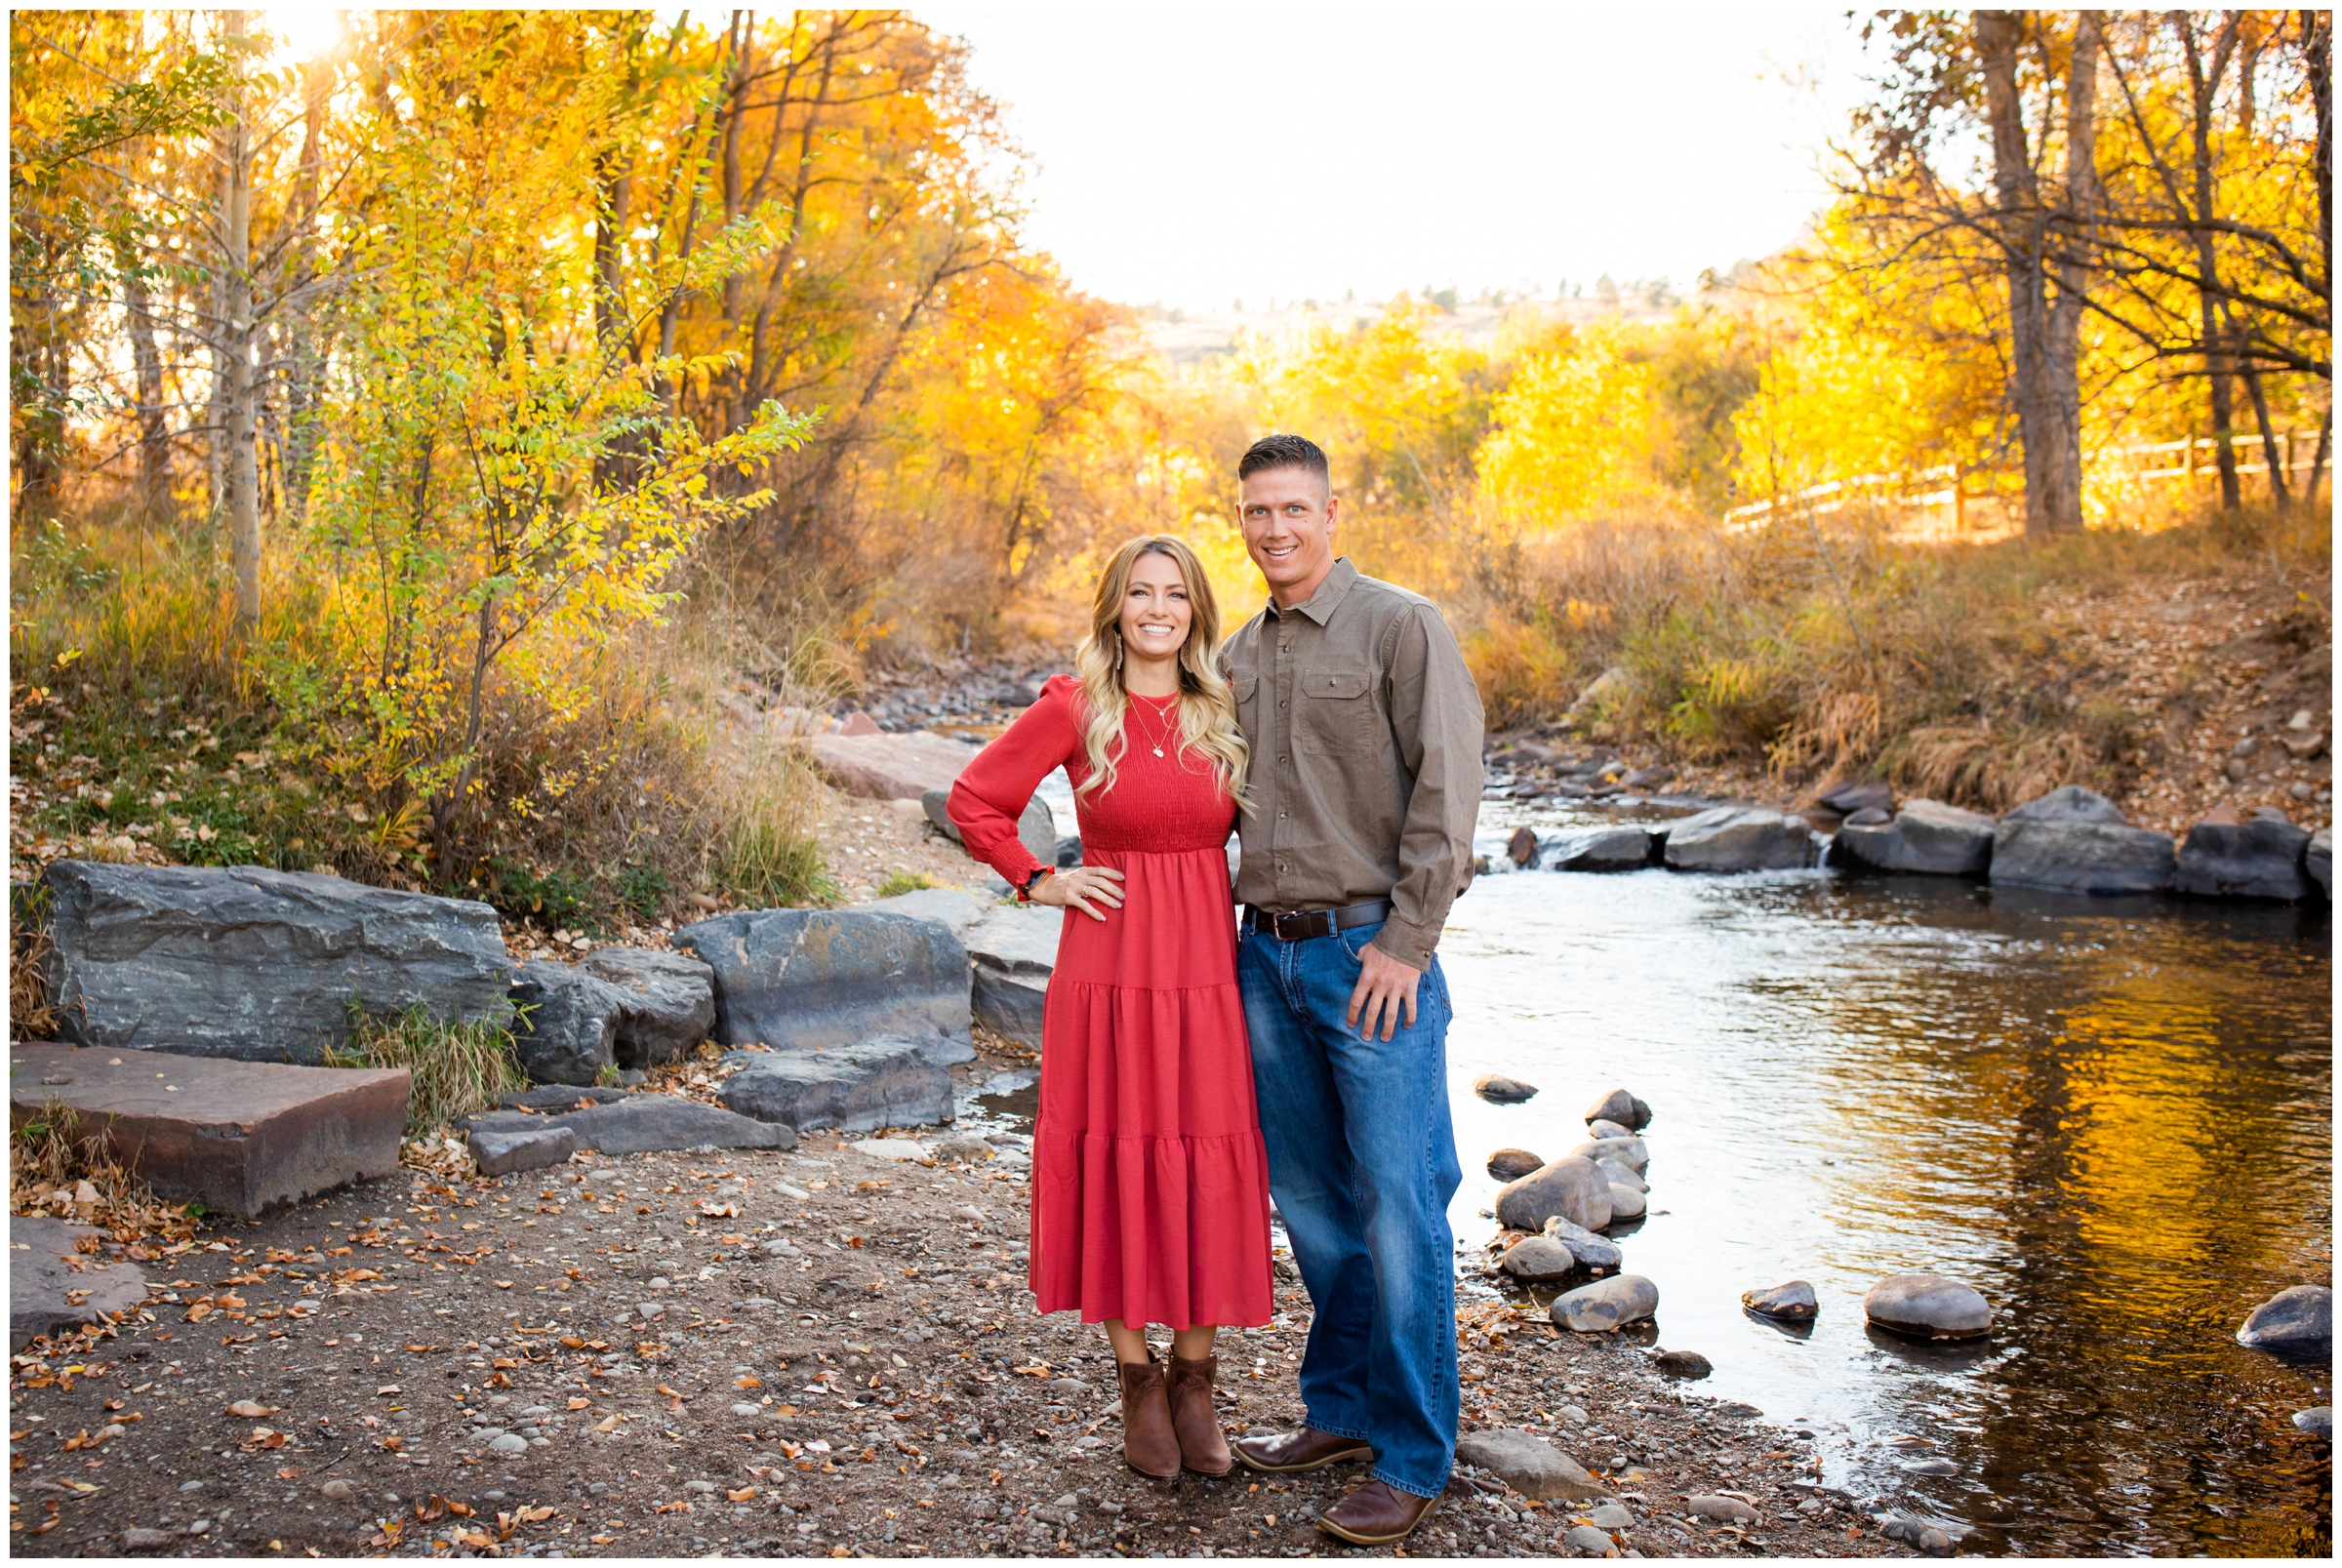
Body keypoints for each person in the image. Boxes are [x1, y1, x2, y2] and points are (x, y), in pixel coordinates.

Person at [948, 535, 1272, 1480]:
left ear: (1197, 610)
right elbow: (974, 799)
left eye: (1176, 593)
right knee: (1119, 1152)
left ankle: (1197, 1375)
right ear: (1117, 605)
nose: (1159, 608)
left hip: (1208, 966)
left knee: (1212, 1153)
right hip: (1110, 961)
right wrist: (1036, 880)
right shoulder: (1077, 705)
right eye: (1142, 592)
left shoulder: (1224, 705)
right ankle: (1137, 1379)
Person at [1220, 433, 1484, 1547]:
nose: (1275, 528)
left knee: (1398, 1204)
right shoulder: (1233, 655)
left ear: (1334, 513)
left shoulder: (1400, 625)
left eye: (1293, 508)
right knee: (1315, 1207)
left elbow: (1450, 788)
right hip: (1264, 957)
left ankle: (1416, 1453)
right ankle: (1340, 1411)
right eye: (1256, 512)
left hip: (1368, 956)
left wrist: (1408, 943)